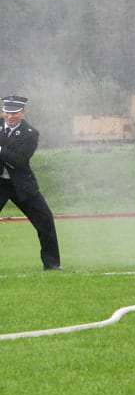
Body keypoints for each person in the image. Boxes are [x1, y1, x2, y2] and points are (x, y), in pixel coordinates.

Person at [0, 96, 62, 271]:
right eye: (7, 112)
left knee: (45, 220)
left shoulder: (30, 133)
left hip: (21, 184)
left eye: (15, 113)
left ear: (23, 113)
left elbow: (19, 160)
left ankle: (52, 264)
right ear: (3, 112)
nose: (10, 116)